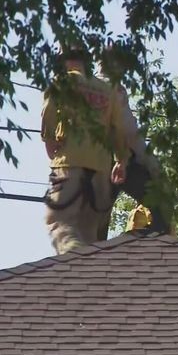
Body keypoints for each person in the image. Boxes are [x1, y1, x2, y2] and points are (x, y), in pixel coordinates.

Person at [41, 44, 130, 254]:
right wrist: (121, 162)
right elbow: (118, 129)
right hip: (100, 171)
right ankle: (89, 274)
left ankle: (73, 257)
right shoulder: (108, 90)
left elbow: (49, 117)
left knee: (58, 223)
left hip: (69, 164)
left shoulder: (62, 83)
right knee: (90, 234)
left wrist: (50, 144)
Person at [96, 45, 171, 240]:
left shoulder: (88, 87)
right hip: (120, 161)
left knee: (97, 222)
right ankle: (156, 252)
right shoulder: (115, 90)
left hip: (91, 160)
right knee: (160, 206)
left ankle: (93, 258)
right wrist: (151, 164)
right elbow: (129, 132)